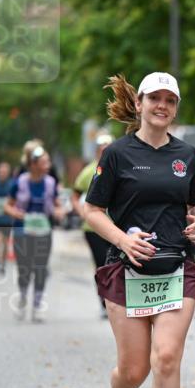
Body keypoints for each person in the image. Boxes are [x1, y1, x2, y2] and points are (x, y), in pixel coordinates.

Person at [83, 72, 195, 388]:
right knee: (133, 370)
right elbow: (91, 211)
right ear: (138, 105)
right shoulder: (117, 154)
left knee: (168, 357)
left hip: (176, 266)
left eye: (169, 100)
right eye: (154, 98)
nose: (162, 106)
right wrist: (123, 240)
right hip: (126, 270)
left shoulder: (187, 155)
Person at [4, 145, 64, 322]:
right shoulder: (20, 182)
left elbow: (57, 204)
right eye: (44, 161)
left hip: (43, 230)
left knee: (40, 267)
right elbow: (8, 205)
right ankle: (23, 297)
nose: (48, 164)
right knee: (24, 268)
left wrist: (59, 211)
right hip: (23, 230)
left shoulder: (51, 183)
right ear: (33, 164)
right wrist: (16, 213)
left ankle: (37, 305)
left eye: (48, 161)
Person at [72, 132, 114, 318]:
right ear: (98, 150)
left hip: (116, 228)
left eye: (108, 147)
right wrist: (82, 212)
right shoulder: (90, 171)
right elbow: (75, 195)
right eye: (102, 147)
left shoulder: (121, 168)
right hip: (93, 229)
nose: (105, 150)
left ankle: (116, 301)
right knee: (102, 265)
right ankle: (104, 303)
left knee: (116, 265)